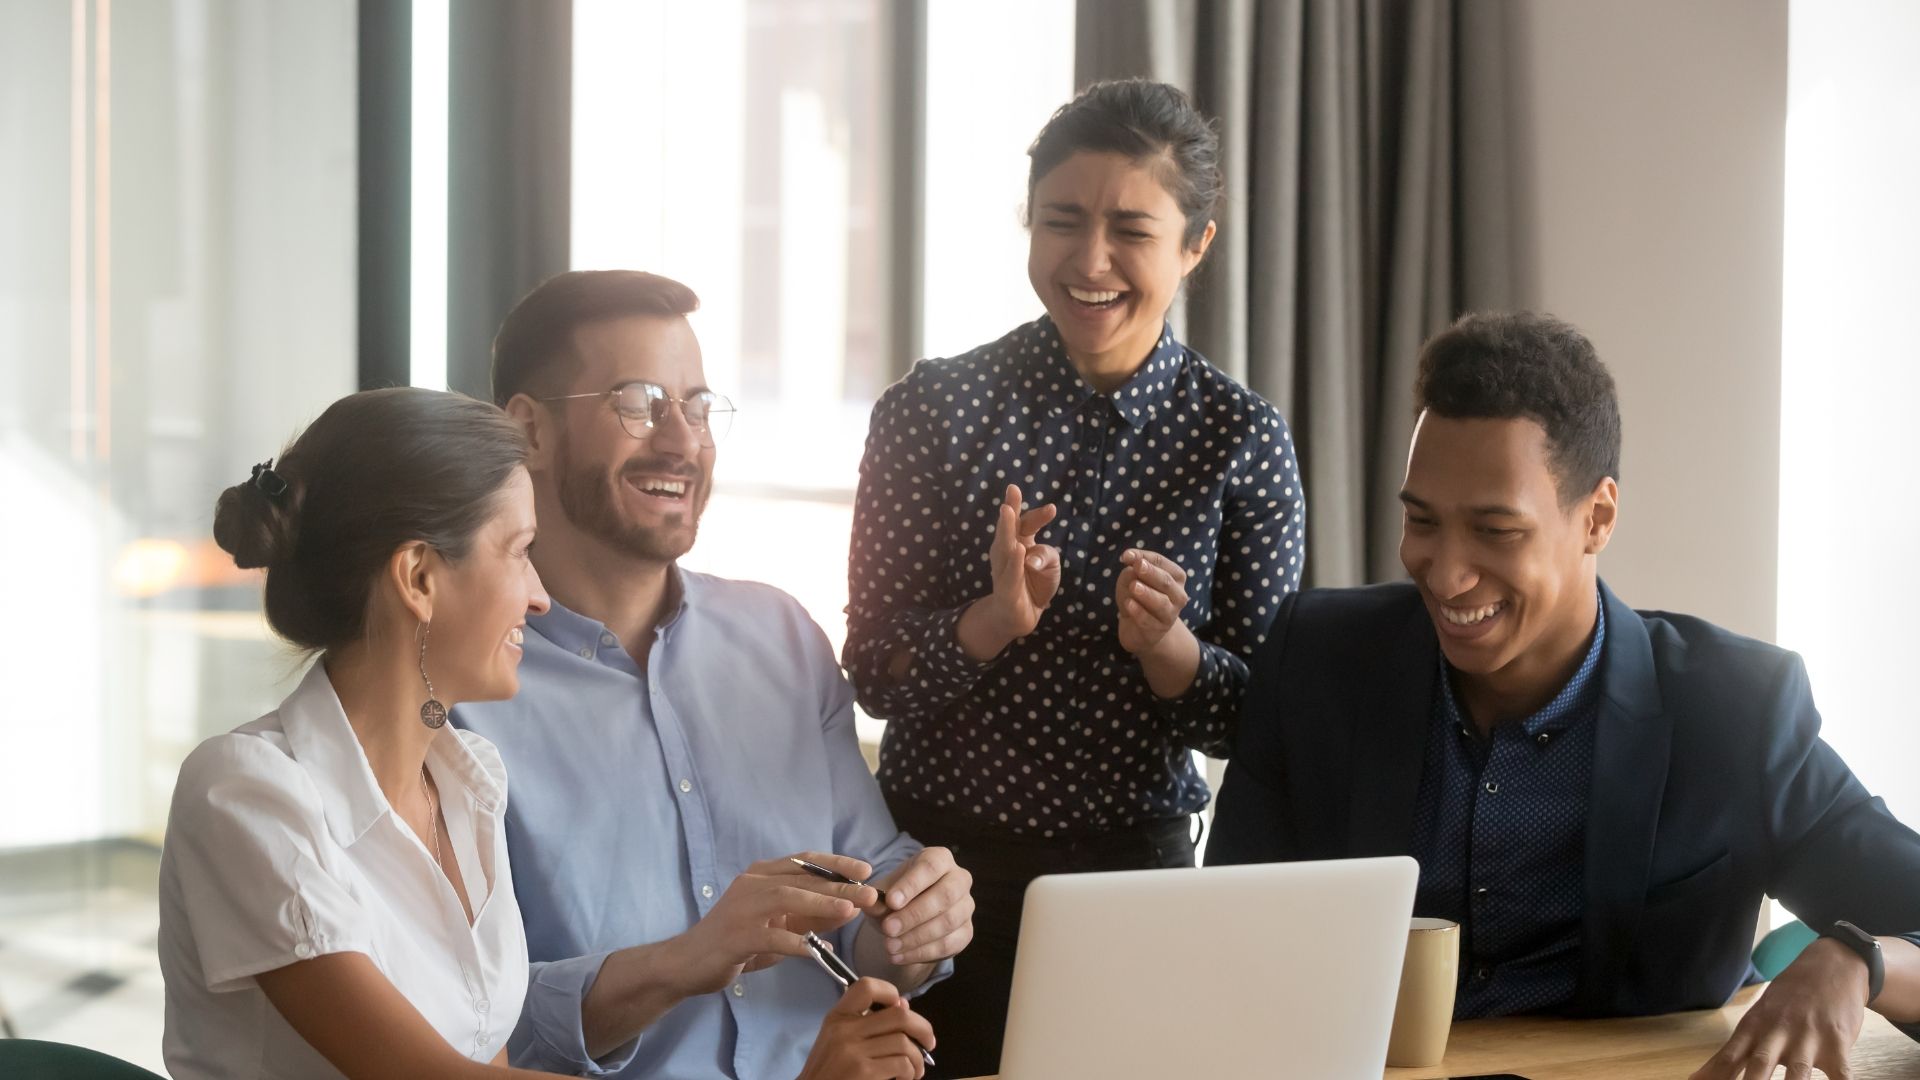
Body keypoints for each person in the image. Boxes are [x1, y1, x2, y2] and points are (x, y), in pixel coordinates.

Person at [1207, 311, 1920, 1079]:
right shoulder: (1316, 659)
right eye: (1421, 520)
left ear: (1597, 517)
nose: (1445, 573)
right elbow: (1221, 948)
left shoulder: (1737, 711)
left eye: (1495, 530)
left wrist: (1862, 958)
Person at [161, 387, 931, 1080]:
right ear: (420, 578)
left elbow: (491, 1053)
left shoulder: (468, 782)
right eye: (519, 553)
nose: (537, 597)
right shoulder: (248, 793)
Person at [841, 78, 1306, 1076]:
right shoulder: (932, 411)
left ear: (1196, 246)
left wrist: (1173, 656)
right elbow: (871, 672)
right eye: (1062, 221)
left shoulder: (1242, 440)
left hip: (1132, 877)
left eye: (1131, 230)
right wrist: (990, 621)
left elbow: (1267, 721)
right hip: (932, 876)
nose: (1089, 262)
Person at [453, 270, 967, 1080]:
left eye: (697, 406)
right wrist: (688, 958)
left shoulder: (783, 638)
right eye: (639, 401)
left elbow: (867, 901)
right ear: (530, 432)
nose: (682, 441)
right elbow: (456, 1022)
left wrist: (913, 923)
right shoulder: (461, 696)